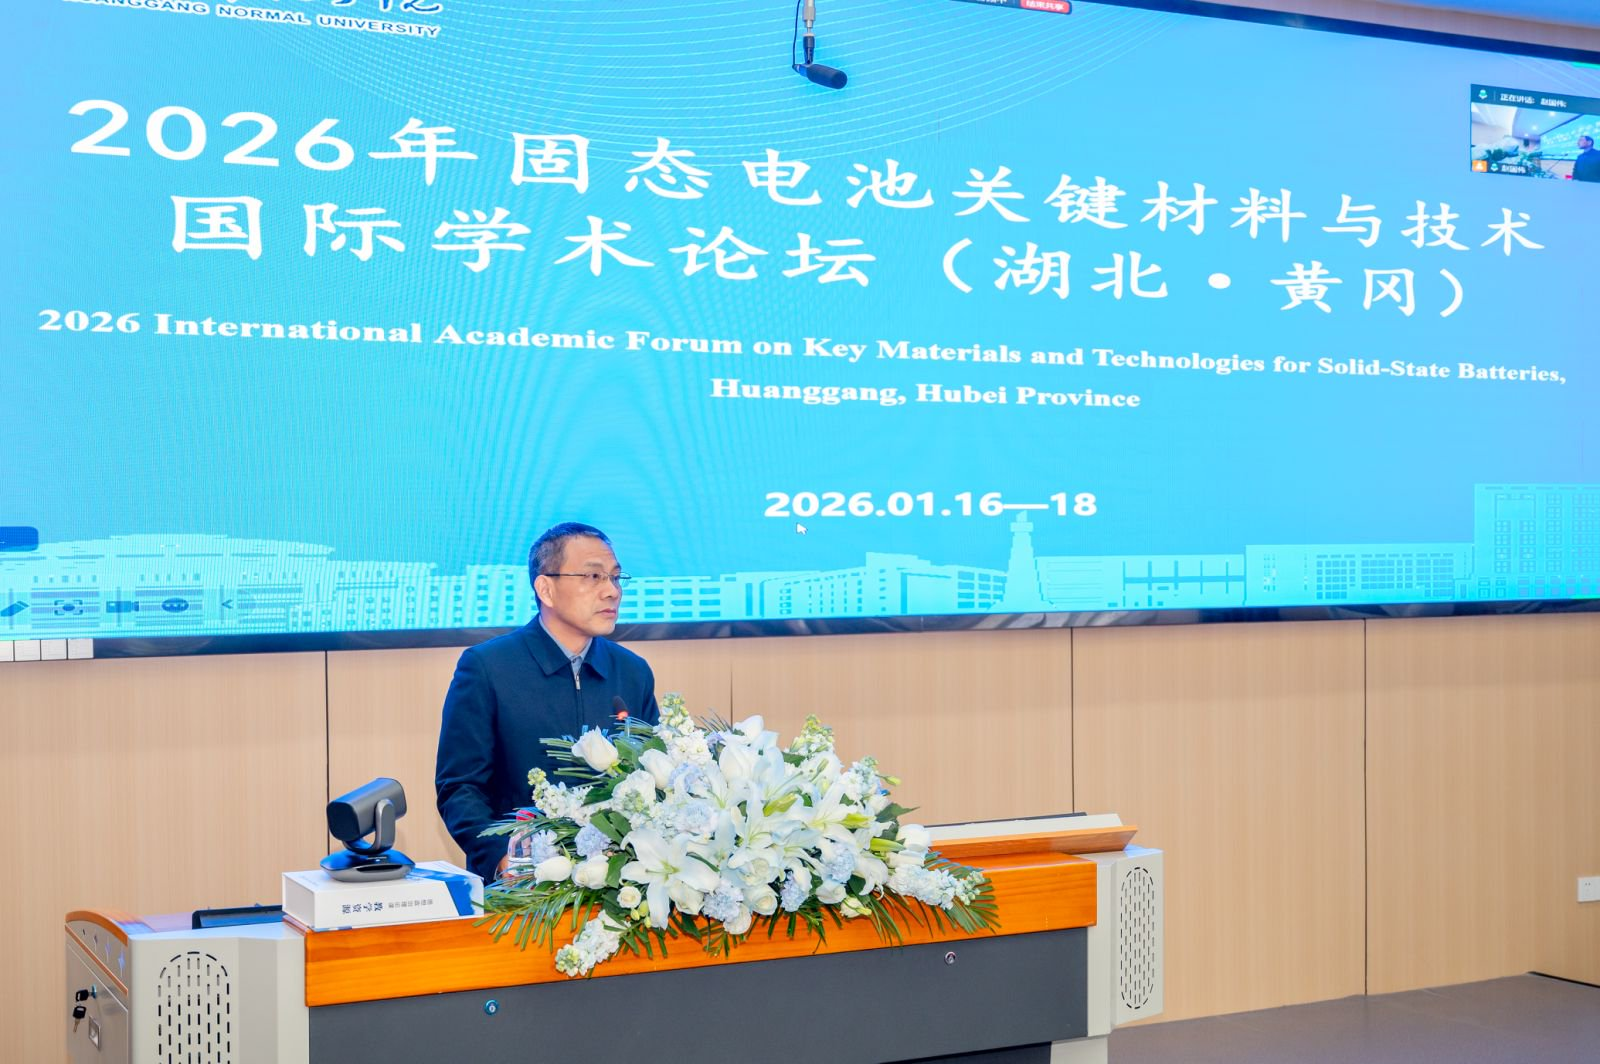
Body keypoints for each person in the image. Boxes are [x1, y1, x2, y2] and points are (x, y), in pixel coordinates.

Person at [435, 522, 658, 883]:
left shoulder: (632, 672)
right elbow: (460, 788)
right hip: (523, 887)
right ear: (546, 589)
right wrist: (502, 858)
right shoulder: (488, 668)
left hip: (617, 883)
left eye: (616, 578)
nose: (612, 591)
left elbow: (651, 776)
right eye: (594, 576)